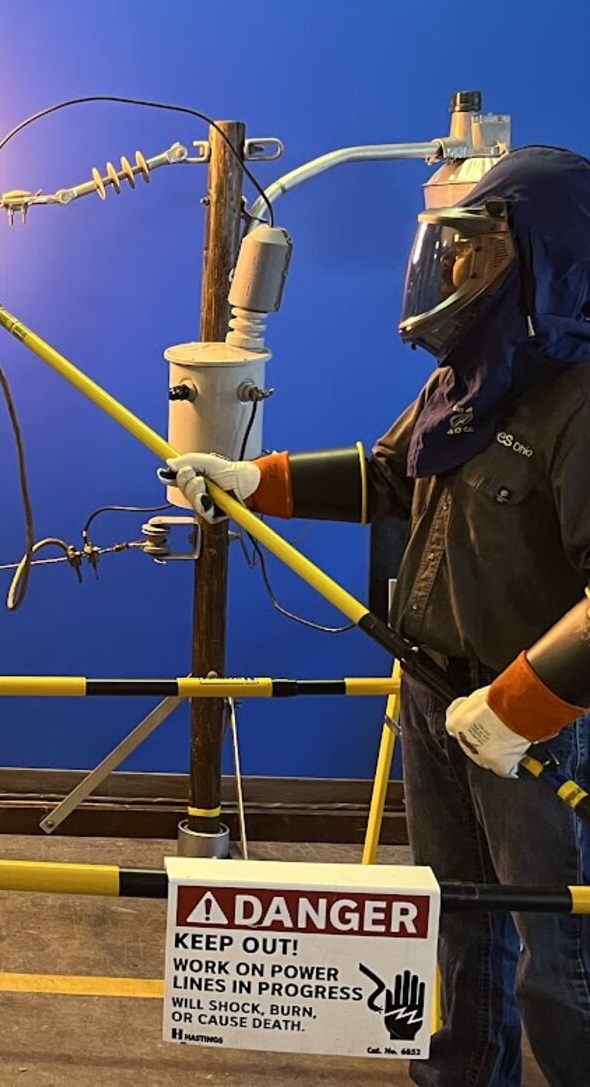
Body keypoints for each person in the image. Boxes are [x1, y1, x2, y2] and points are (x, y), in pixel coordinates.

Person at [161, 145, 590, 1087]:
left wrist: (518, 708)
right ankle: (465, 1074)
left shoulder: (579, 404)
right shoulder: (473, 375)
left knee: (559, 958)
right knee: (459, 916)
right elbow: (394, 474)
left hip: (532, 733)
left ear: (541, 256)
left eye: (475, 246)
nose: (451, 266)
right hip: (439, 696)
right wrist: (251, 481)